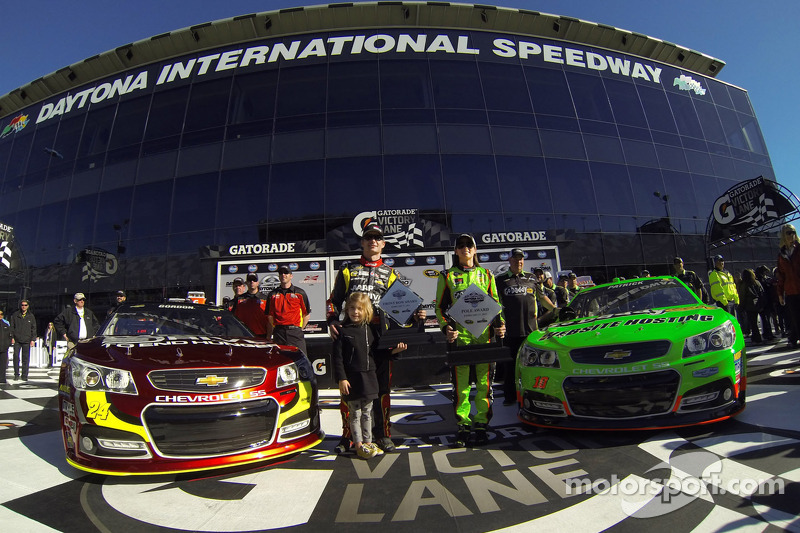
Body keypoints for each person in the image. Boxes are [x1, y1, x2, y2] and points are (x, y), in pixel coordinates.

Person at [327, 223, 425, 454]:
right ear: (362, 242)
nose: (373, 241)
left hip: (381, 337)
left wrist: (417, 314)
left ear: (383, 243)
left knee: (381, 389)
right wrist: (332, 321)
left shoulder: (392, 274)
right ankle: (348, 436)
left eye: (377, 238)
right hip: (352, 336)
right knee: (350, 390)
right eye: (368, 237)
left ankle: (383, 435)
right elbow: (334, 300)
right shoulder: (347, 270)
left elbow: (403, 305)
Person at [435, 233, 506, 447]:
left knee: (484, 385)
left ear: (475, 250)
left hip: (484, 337)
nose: (465, 248)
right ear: (456, 251)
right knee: (461, 387)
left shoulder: (486, 275)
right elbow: (439, 307)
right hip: (460, 340)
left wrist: (500, 326)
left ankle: (482, 423)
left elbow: (495, 304)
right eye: (461, 245)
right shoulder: (447, 275)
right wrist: (446, 327)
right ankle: (463, 425)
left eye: (469, 245)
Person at [332, 293, 407, 459]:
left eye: (359, 309)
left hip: (369, 379)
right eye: (352, 308)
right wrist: (342, 378)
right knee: (355, 413)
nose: (355, 312)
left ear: (367, 311)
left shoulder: (371, 330)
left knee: (367, 412)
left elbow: (378, 355)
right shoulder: (342, 331)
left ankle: (368, 442)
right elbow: (337, 359)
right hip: (352, 380)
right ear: (347, 309)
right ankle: (357, 443)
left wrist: (396, 351)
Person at [496, 248, 554, 406]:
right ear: (509, 260)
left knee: (534, 365)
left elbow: (542, 298)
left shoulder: (532, 277)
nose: (518, 262)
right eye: (515, 259)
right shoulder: (499, 280)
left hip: (531, 332)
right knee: (511, 367)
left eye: (521, 259)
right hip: (510, 332)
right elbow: (494, 303)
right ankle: (510, 397)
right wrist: (498, 324)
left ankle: (537, 394)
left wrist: (555, 310)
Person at [267, 266, 311, 353]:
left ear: (291, 276)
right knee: (280, 361)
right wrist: (278, 327)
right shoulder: (272, 294)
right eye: (281, 273)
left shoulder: (300, 293)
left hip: (295, 333)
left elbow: (306, 314)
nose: (283, 275)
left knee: (300, 361)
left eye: (286, 273)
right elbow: (270, 316)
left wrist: (299, 329)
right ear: (279, 276)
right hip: (279, 333)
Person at [777, 223, 800, 349]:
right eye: (789, 233)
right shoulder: (781, 255)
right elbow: (781, 276)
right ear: (784, 236)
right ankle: (793, 338)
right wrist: (780, 294)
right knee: (795, 318)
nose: (792, 235)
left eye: (793, 232)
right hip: (791, 291)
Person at [230, 273, 271, 339]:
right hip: (243, 335)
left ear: (257, 282)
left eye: (254, 280)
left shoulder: (265, 298)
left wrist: (269, 336)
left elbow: (270, 320)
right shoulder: (239, 299)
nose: (252, 282)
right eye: (249, 280)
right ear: (246, 283)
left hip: (261, 335)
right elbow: (234, 319)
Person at [10, 300, 36, 381]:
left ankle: (24, 375)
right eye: (22, 305)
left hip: (26, 340)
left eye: (25, 305)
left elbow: (34, 328)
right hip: (17, 340)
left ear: (28, 306)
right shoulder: (15, 315)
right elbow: (12, 327)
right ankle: (16, 374)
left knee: (25, 358)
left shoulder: (31, 316)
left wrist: (33, 339)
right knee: (16, 357)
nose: (23, 306)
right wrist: (12, 337)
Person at [740, 269, 767, 344]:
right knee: (762, 321)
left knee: (753, 323)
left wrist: (741, 306)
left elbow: (742, 296)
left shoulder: (744, 284)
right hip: (758, 304)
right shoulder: (757, 282)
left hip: (749, 305)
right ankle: (765, 335)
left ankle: (756, 338)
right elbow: (762, 293)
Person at [0, 310, 11, 384]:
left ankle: (2, 378)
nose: (0, 315)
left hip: (4, 347)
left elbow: (9, 335)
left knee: (3, 364)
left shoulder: (6, 324)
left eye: (1, 314)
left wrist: (7, 344)